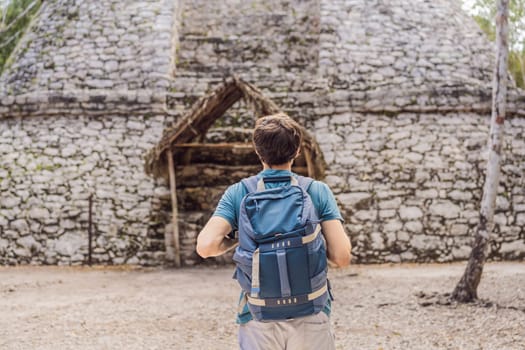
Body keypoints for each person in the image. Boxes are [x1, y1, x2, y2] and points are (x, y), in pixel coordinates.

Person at [196, 113, 351, 350]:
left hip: (258, 314)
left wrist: (236, 241)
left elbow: (205, 247)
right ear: (297, 150)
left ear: (258, 151)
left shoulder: (239, 193)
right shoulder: (317, 191)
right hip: (311, 311)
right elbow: (342, 257)